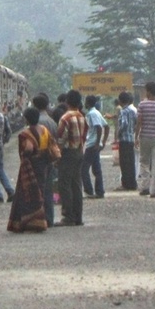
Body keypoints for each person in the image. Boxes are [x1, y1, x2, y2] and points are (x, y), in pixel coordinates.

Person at [7, 106, 48, 233]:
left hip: (30, 166)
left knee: (28, 194)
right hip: (43, 164)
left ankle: (28, 223)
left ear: (27, 119)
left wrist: (25, 155)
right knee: (40, 191)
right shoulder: (44, 130)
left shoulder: (26, 133)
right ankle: (40, 222)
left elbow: (29, 148)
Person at [55, 89, 87, 226]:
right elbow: (84, 135)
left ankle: (68, 216)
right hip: (79, 151)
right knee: (76, 184)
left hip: (68, 153)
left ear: (67, 101)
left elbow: (61, 139)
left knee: (65, 184)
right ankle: (78, 216)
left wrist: (57, 156)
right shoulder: (81, 116)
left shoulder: (65, 118)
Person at [135, 81, 155, 198]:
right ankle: (154, 190)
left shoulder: (142, 105)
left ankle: (145, 187)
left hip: (145, 137)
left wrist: (136, 137)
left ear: (148, 92)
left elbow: (139, 122)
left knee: (144, 162)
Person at [32, 92, 58, 227]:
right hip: (50, 160)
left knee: (39, 190)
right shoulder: (51, 121)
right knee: (48, 190)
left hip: (40, 159)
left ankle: (40, 218)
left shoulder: (39, 122)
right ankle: (49, 218)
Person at [81, 94, 109, 198]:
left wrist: (98, 142)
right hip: (95, 144)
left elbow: (99, 127)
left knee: (83, 169)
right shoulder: (97, 112)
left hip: (92, 144)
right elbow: (106, 126)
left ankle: (89, 191)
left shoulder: (92, 114)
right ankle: (99, 191)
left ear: (87, 103)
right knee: (96, 169)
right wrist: (104, 141)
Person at [116, 91, 137, 191]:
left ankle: (125, 184)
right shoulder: (132, 110)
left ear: (120, 101)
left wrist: (119, 132)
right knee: (131, 162)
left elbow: (124, 123)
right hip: (131, 138)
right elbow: (136, 122)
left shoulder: (123, 111)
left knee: (124, 163)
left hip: (124, 139)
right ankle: (132, 183)